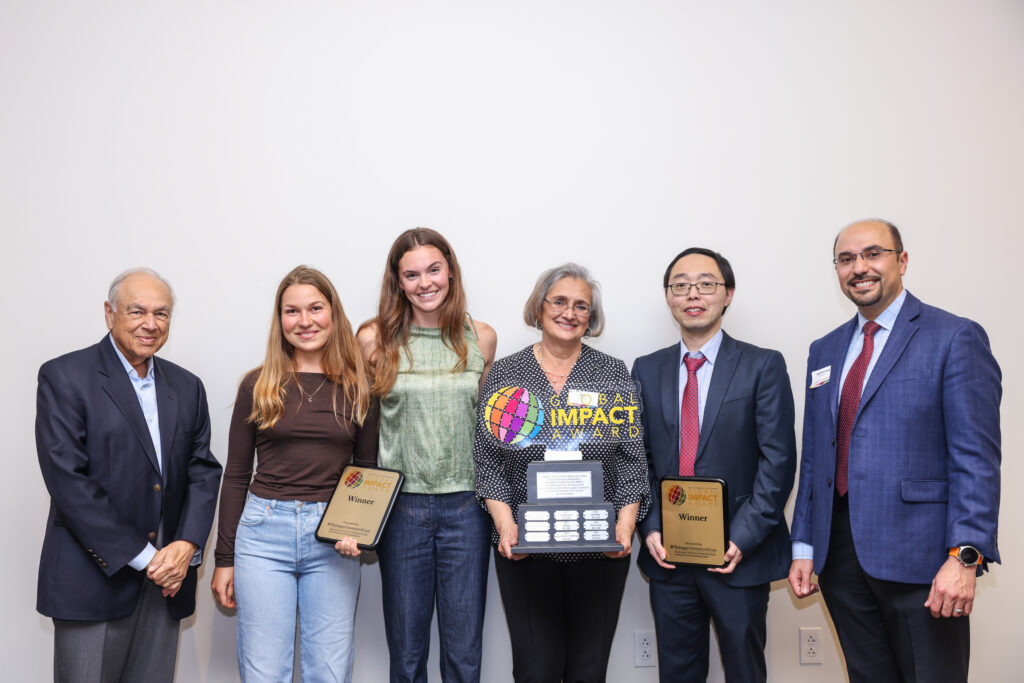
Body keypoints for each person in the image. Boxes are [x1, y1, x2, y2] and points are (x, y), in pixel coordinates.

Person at [788, 219, 1002, 683]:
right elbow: (816, 459)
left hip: (924, 559)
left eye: (872, 254)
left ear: (901, 261)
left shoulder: (954, 337)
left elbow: (976, 460)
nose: (859, 267)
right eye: (846, 259)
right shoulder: (823, 350)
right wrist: (804, 544)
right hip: (840, 558)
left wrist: (965, 557)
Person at [35, 268, 222, 683]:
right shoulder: (65, 376)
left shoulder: (188, 387)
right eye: (137, 311)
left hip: (166, 583)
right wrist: (147, 557)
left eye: (162, 313)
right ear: (109, 313)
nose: (150, 324)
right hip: (93, 581)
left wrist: (186, 545)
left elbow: (203, 471)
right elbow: (68, 480)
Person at [475, 263, 650, 683]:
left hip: (600, 548)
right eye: (559, 301)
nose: (569, 313)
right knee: (536, 670)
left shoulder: (612, 373)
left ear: (591, 319)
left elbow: (631, 459)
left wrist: (625, 527)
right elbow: (488, 458)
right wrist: (505, 524)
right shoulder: (505, 374)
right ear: (539, 307)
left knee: (589, 671)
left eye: (581, 306)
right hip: (526, 548)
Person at [631, 247, 797, 682]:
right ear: (669, 297)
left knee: (744, 670)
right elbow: (636, 458)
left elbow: (777, 462)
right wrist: (649, 528)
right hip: (669, 555)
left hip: (738, 555)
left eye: (706, 283)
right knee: (678, 672)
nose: (693, 294)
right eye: (680, 285)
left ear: (728, 294)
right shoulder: (646, 370)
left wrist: (741, 538)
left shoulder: (763, 365)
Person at [211, 265, 378, 682]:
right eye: (292, 311)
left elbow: (366, 471)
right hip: (263, 534)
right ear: (280, 319)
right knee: (265, 671)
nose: (304, 321)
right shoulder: (258, 384)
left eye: (315, 308)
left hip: (332, 539)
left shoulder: (360, 388)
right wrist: (224, 559)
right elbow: (235, 475)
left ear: (333, 314)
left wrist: (358, 530)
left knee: (329, 671)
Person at [358, 228, 497, 683]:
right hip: (400, 508)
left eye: (433, 269)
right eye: (411, 274)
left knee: (464, 652)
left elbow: (488, 431)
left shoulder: (481, 337)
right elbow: (361, 429)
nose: (425, 283)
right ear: (398, 282)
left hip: (467, 506)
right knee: (406, 650)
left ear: (450, 272)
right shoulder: (374, 339)